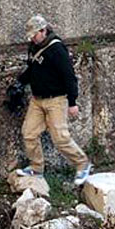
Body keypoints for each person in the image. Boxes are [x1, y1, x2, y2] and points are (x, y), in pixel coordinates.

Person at [15, 14, 93, 185]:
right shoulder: (33, 47)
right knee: (29, 133)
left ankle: (82, 164)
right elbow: (32, 68)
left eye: (35, 35)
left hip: (56, 99)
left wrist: (72, 102)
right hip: (37, 99)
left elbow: (69, 76)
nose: (33, 39)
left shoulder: (57, 49)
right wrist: (20, 82)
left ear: (43, 31)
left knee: (60, 137)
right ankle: (36, 168)